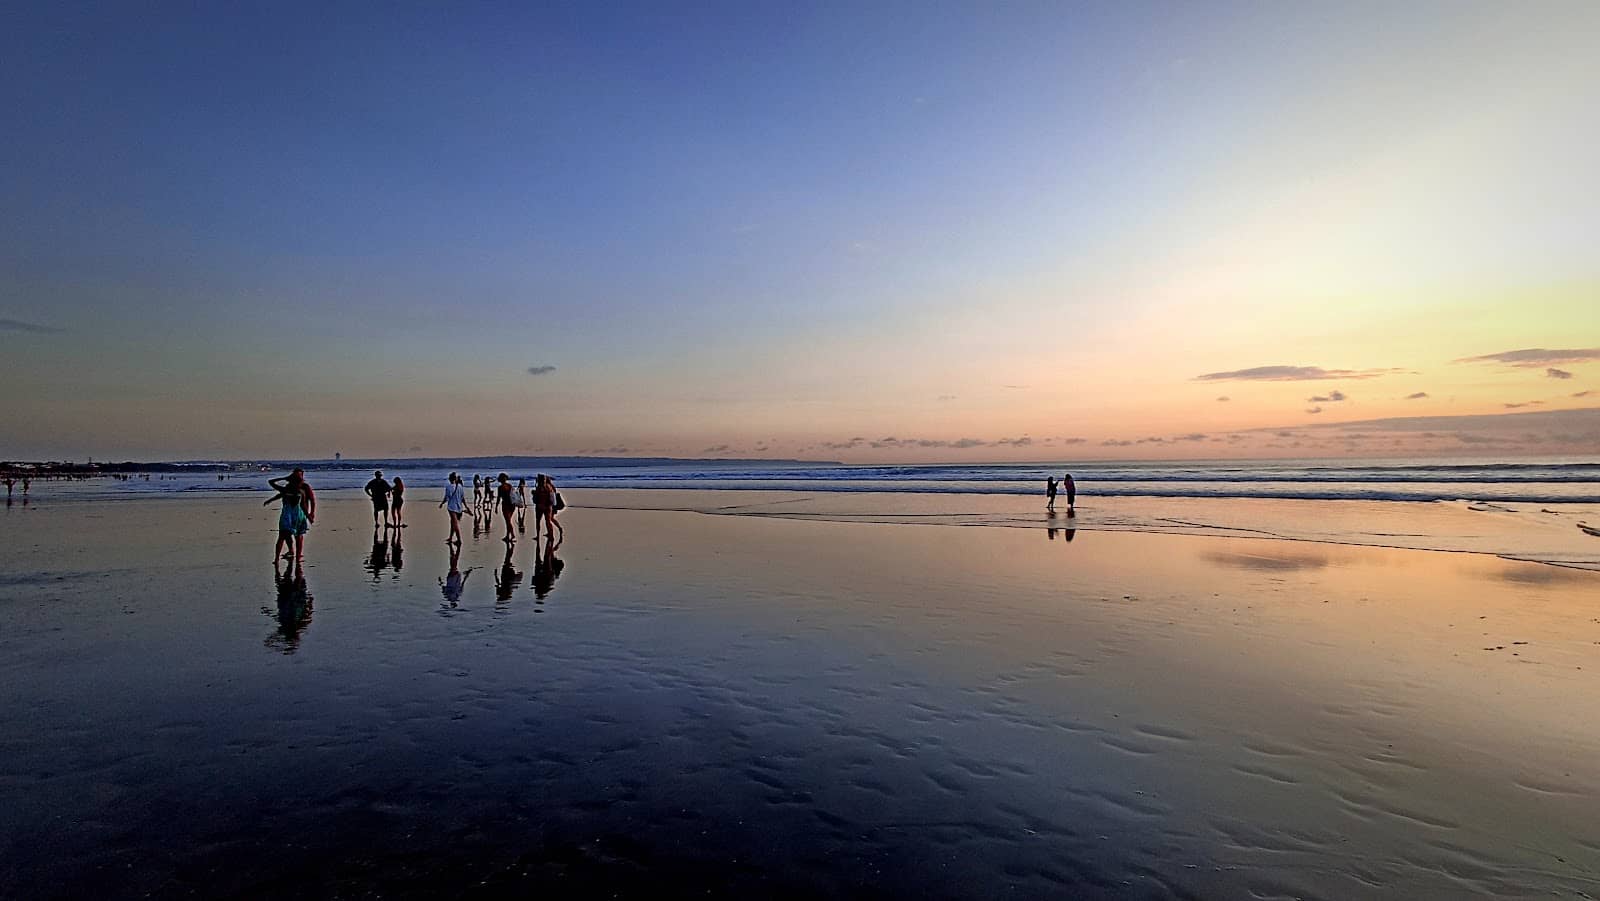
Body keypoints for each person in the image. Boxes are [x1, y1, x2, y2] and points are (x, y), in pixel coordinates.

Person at [265, 469, 315, 561]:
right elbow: (278, 491)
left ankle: (294, 557)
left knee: (293, 536)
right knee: (286, 536)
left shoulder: (303, 489)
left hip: (295, 515)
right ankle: (285, 555)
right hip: (291, 515)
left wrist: (310, 515)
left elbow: (307, 503)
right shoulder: (289, 489)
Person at [440, 472, 468, 544]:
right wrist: (466, 506)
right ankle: (450, 538)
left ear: (449, 479)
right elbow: (462, 498)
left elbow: (446, 498)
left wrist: (442, 503)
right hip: (459, 507)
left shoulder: (449, 487)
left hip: (452, 507)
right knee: (452, 523)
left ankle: (459, 540)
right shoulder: (460, 486)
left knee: (455, 524)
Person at [533, 474, 563, 542]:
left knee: (540, 521)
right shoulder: (549, 487)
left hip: (541, 507)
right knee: (548, 521)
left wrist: (534, 493)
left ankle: (539, 535)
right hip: (548, 507)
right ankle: (551, 535)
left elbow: (536, 498)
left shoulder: (540, 487)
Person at [440, 544, 471, 608]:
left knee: (453, 562)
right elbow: (462, 583)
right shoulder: (451, 596)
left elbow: (462, 583)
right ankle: (453, 548)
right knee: (453, 562)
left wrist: (467, 575)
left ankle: (453, 548)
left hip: (454, 578)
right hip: (452, 578)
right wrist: (440, 582)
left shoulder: (455, 595)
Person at [496, 472, 517, 541]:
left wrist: (496, 507)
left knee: (508, 521)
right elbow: (514, 495)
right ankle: (507, 536)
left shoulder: (500, 487)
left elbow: (498, 498)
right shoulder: (510, 486)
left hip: (506, 505)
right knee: (508, 521)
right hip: (512, 505)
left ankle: (513, 535)